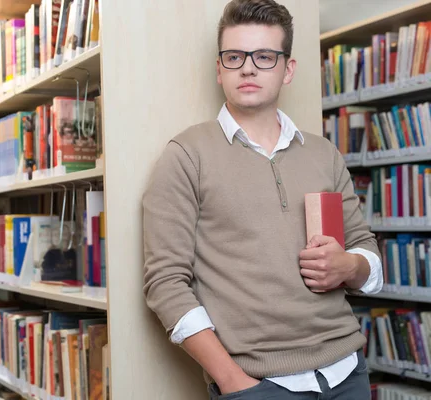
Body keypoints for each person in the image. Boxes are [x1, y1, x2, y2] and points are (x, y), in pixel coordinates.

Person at [142, 0, 383, 399]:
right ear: (219, 69)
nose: (248, 68)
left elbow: (368, 258)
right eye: (234, 56)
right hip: (259, 384)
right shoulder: (186, 155)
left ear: (288, 69)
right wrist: (234, 382)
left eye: (265, 56)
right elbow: (165, 284)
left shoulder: (323, 153)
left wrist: (347, 265)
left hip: (347, 374)